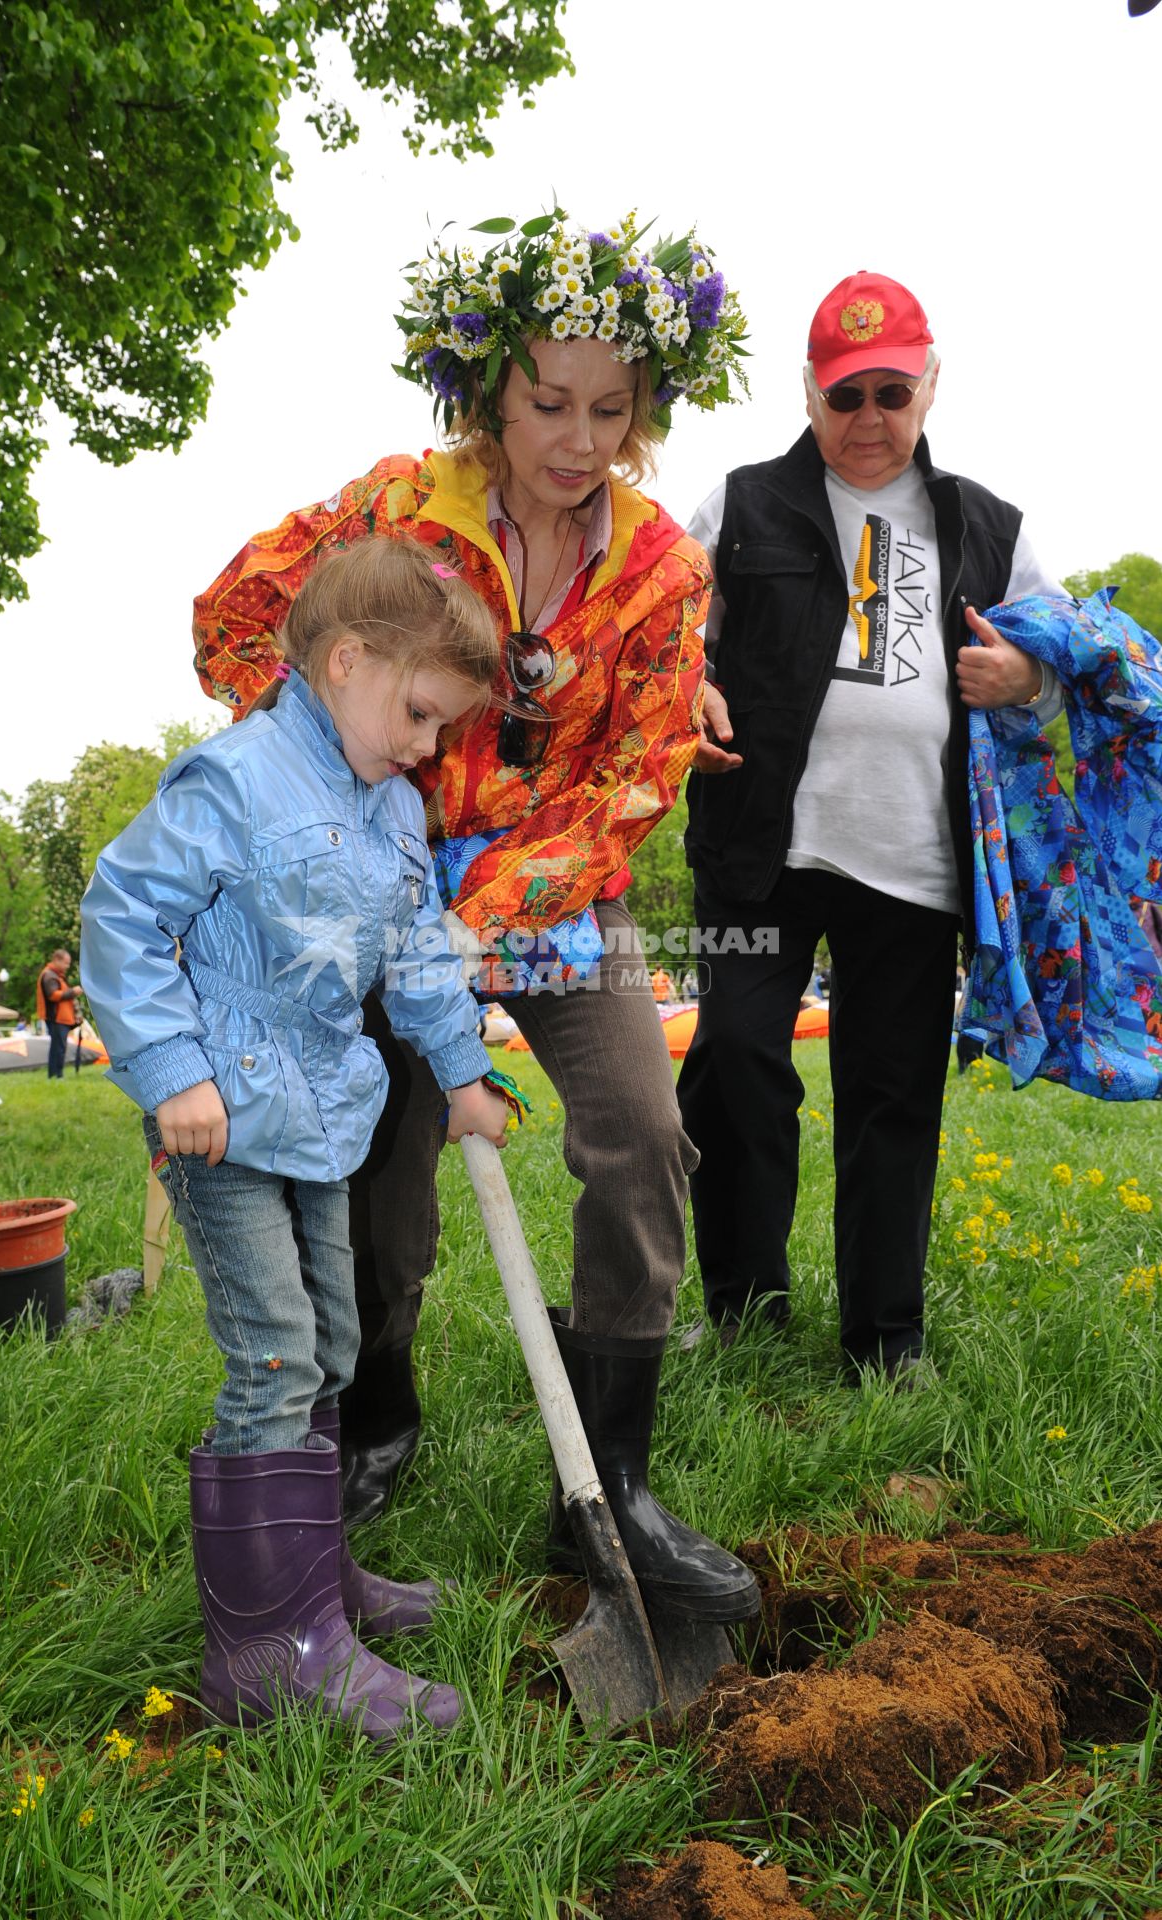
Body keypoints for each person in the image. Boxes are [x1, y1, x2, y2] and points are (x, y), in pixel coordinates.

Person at [191, 209, 763, 1628]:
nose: (575, 437)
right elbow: (235, 621)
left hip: (562, 887)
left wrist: (492, 910)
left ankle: (609, 1480)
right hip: (378, 889)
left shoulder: (663, 576)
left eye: (609, 411)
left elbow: (639, 776)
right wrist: (313, 765)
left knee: (640, 1128)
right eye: (547, 402)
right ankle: (377, 1413)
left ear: (645, 415)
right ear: (491, 389)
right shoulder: (401, 507)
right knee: (381, 1170)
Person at [81, 538, 511, 1739]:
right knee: (274, 1349)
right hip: (224, 1120)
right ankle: (268, 1650)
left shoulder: (389, 808)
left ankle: (313, 1583)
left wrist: (465, 1070)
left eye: (443, 728)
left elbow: (419, 953)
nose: (428, 746)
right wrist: (172, 1073)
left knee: (330, 1336)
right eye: (420, 714)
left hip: (327, 1114)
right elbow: (123, 914)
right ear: (345, 660)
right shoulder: (237, 778)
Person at [680, 271, 1067, 1386]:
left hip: (914, 854)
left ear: (929, 387)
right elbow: (658, 636)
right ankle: (744, 1310)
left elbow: (1070, 674)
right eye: (845, 396)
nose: (867, 420)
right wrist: (683, 690)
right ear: (808, 395)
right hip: (760, 849)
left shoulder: (989, 526)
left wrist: (1025, 673)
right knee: (738, 1059)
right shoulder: (739, 503)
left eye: (890, 393)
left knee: (893, 1091)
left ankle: (883, 1339)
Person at [36, 949, 80, 1077]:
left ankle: (54, 1075)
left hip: (60, 1018)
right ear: (56, 960)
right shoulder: (49, 975)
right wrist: (73, 992)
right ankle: (57, 1075)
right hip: (56, 1018)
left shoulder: (55, 975)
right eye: (66, 963)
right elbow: (53, 995)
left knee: (57, 1047)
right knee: (58, 1048)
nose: (67, 966)